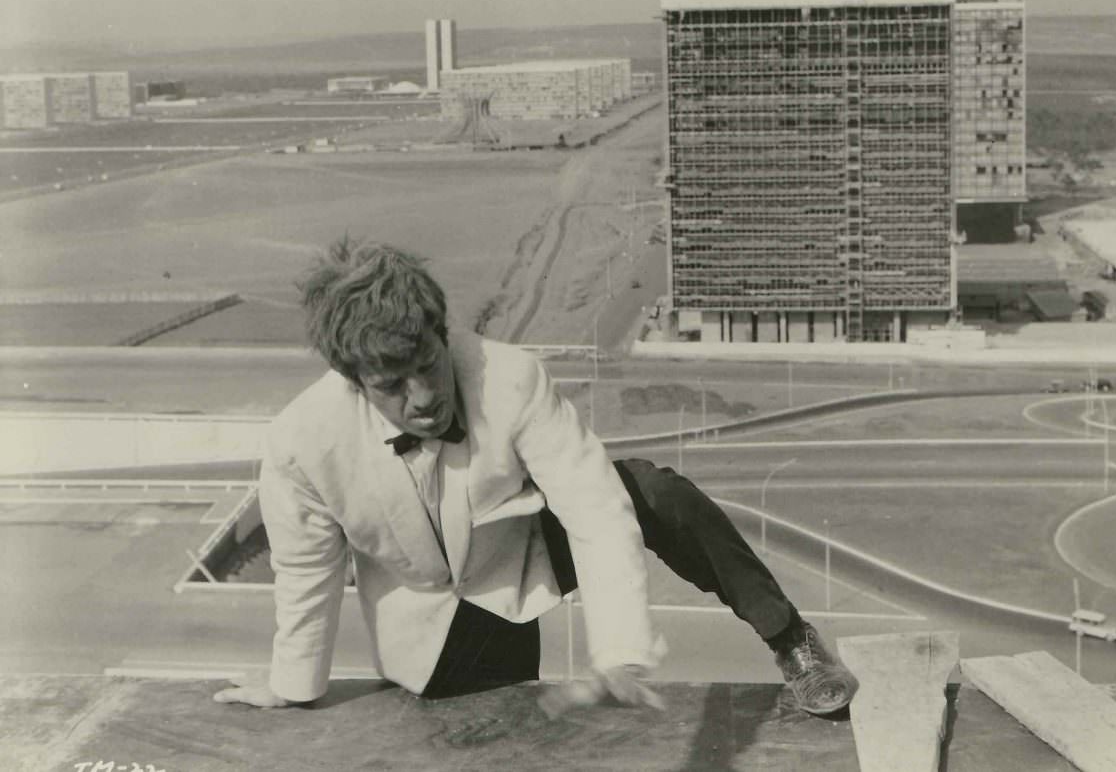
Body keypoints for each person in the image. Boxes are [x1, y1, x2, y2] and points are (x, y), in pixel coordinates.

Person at [213, 238, 858, 715]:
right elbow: (306, 574)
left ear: (444, 335)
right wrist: (291, 686)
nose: (423, 398)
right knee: (507, 738)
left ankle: (790, 638)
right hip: (436, 622)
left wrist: (617, 652)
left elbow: (595, 508)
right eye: (390, 387)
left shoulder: (511, 376)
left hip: (518, 549)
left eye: (429, 365)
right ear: (354, 383)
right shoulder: (301, 443)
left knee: (652, 491)